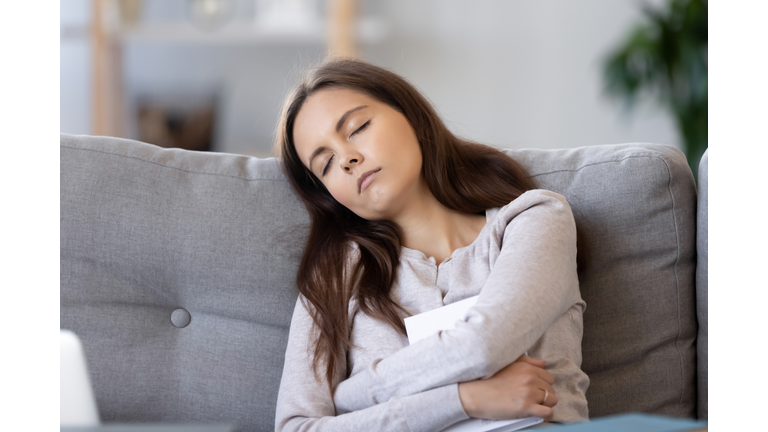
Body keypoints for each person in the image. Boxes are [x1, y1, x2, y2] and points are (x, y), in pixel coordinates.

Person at [273, 58, 589, 432]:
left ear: (410, 115)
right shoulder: (334, 275)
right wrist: (461, 400)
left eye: (357, 128)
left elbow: (482, 347)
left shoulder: (535, 219)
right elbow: (295, 427)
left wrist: (352, 394)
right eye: (325, 164)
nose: (346, 159)